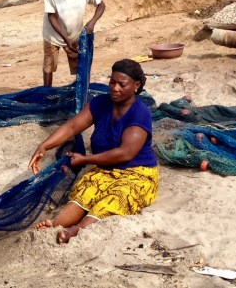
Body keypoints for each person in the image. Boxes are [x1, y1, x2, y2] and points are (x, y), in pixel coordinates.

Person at [28, 59, 158, 244]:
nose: (114, 88)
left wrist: (86, 159)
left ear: (136, 86)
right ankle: (56, 223)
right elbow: (73, 126)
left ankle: (75, 230)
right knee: (86, 193)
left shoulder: (140, 113)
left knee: (115, 199)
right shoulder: (101, 103)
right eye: (112, 82)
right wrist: (45, 145)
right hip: (105, 170)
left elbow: (125, 153)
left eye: (122, 84)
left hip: (137, 173)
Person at [42, 0, 106, 87]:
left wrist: (91, 23)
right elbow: (51, 16)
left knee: (79, 64)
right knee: (49, 65)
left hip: (74, 33)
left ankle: (79, 91)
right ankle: (46, 93)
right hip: (53, 33)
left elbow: (101, 5)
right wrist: (65, 39)